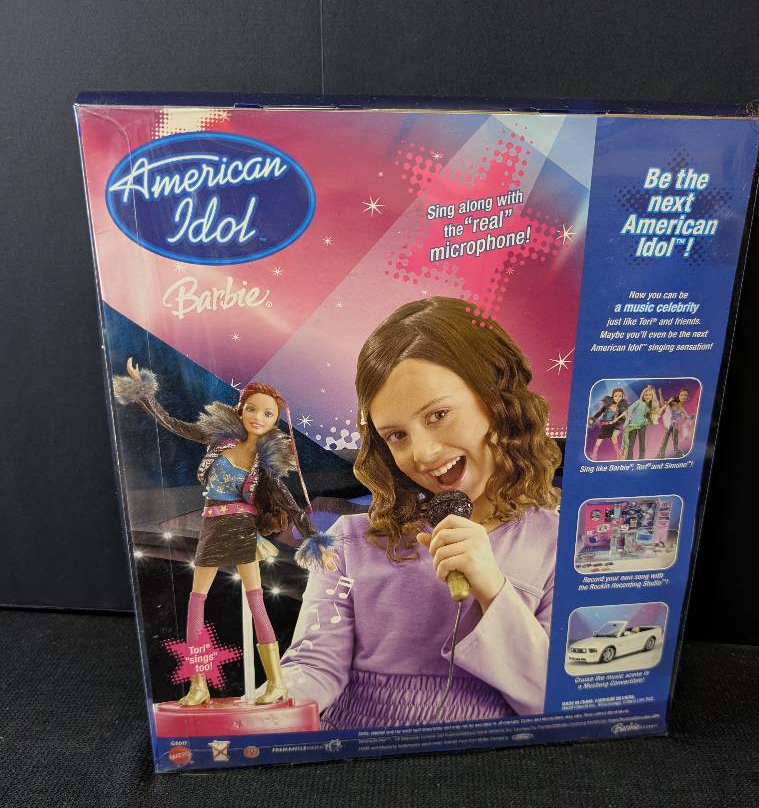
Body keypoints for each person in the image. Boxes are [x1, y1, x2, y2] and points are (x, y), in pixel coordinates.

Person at [280, 297, 561, 728]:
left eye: (438, 415)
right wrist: (271, 706)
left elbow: (553, 699)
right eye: (396, 435)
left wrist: (493, 588)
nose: (423, 454)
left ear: (497, 400)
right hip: (361, 744)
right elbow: (314, 664)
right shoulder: (349, 542)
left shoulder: (559, 544)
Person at [113, 360, 335, 707]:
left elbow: (292, 506)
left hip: (243, 531)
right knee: (196, 600)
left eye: (268, 414)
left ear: (275, 422)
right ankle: (198, 685)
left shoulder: (266, 465)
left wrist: (316, 541)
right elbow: (172, 423)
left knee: (256, 601)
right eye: (252, 409)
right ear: (241, 409)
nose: (258, 417)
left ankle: (276, 682)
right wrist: (144, 391)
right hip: (213, 526)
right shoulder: (219, 439)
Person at [622, 384, 661, 460]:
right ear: (643, 395)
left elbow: (652, 416)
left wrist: (648, 420)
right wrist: (628, 418)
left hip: (642, 425)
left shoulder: (651, 406)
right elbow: (629, 409)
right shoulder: (639, 402)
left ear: (652, 396)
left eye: (649, 395)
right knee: (631, 443)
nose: (647, 396)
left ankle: (641, 458)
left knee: (642, 442)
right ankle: (629, 459)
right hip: (633, 425)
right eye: (646, 395)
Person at [588, 387, 627, 460]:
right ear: (612, 396)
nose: (618, 398)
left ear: (622, 397)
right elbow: (599, 413)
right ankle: (594, 455)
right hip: (605, 426)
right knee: (598, 440)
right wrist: (593, 419)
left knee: (614, 439)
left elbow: (622, 419)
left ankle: (618, 455)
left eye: (620, 396)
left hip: (614, 426)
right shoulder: (607, 406)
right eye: (616, 396)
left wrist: (619, 425)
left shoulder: (621, 408)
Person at [656, 388, 695, 458]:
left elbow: (686, 416)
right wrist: (660, 394)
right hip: (669, 422)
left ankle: (674, 450)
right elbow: (663, 405)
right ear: (679, 395)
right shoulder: (673, 403)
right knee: (669, 433)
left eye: (685, 395)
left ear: (687, 397)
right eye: (681, 395)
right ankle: (664, 451)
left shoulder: (682, 408)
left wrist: (691, 417)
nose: (683, 397)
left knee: (673, 433)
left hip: (675, 424)